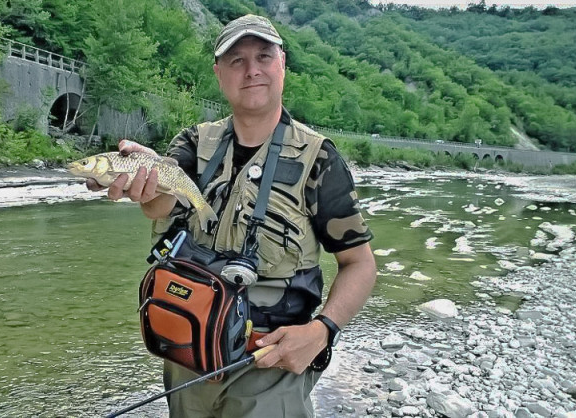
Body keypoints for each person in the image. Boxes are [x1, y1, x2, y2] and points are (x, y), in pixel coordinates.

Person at [87, 14, 376, 418]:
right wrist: (145, 185)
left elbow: (359, 263)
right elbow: (163, 205)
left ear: (282, 64)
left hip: (270, 362)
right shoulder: (193, 142)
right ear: (219, 73)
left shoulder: (319, 159)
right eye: (236, 60)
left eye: (263, 55)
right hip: (186, 349)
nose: (252, 69)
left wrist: (322, 331)